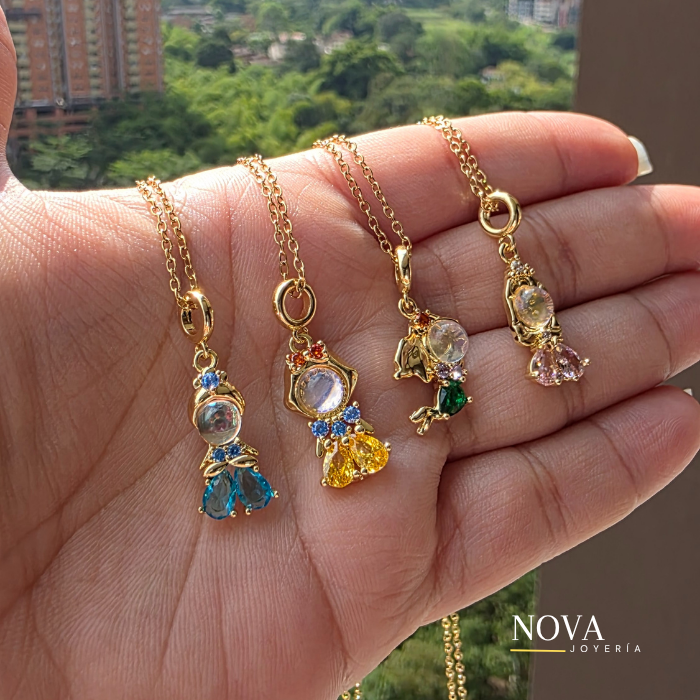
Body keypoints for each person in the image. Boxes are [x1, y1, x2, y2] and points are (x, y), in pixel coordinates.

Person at [1, 12, 699, 699]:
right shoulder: (271, 378)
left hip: (344, 403)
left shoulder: (325, 360)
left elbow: (313, 387)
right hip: (318, 413)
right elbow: (285, 395)